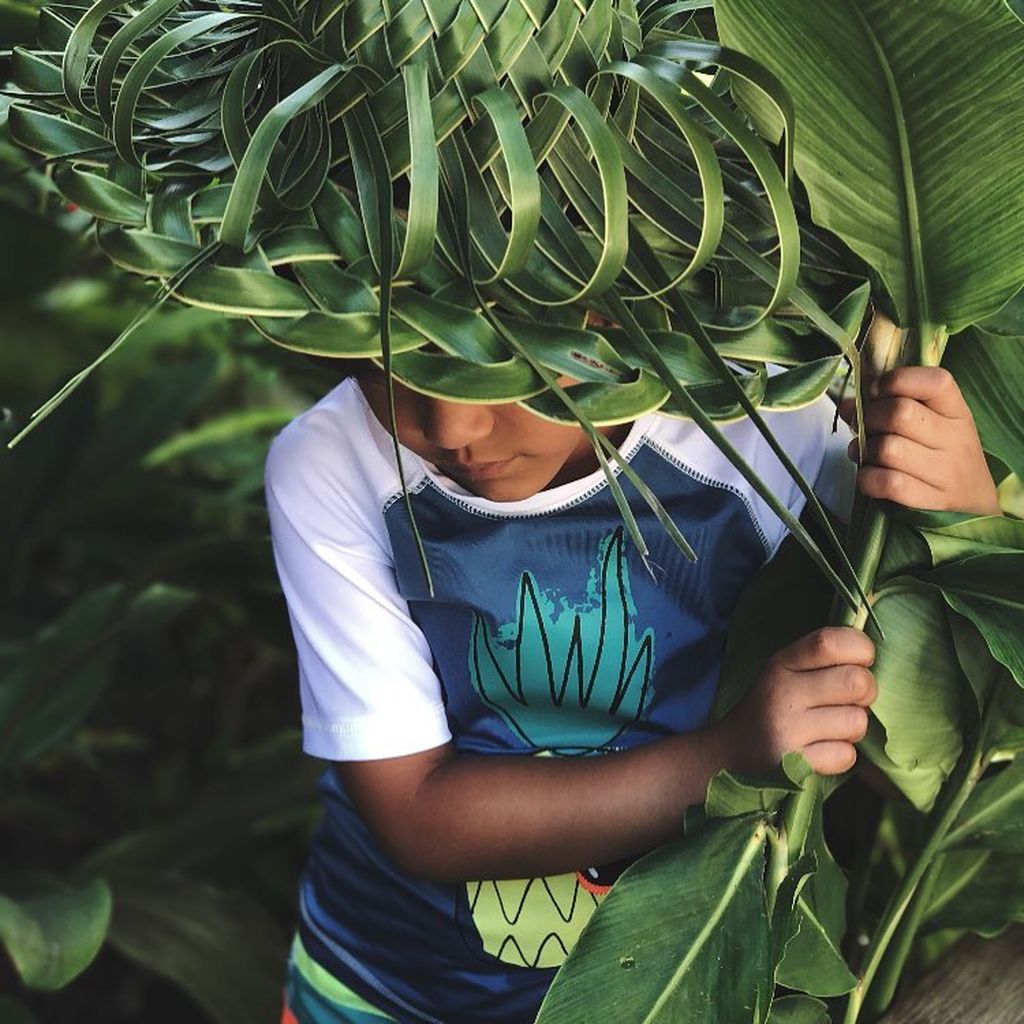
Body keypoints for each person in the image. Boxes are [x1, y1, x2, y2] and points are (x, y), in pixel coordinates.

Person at [265, 359, 1000, 1024]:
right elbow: (416, 813)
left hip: (686, 985)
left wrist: (963, 519)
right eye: (391, 361)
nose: (453, 425)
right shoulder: (333, 463)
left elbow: (936, 738)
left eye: (504, 360)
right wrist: (727, 757)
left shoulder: (763, 421)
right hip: (385, 991)